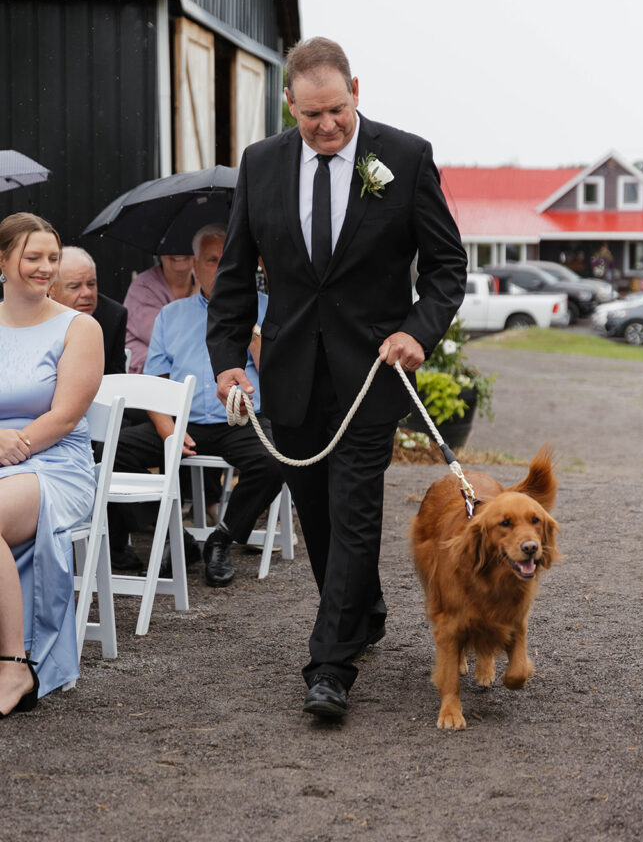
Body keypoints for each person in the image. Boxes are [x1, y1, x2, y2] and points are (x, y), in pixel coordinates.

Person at [207, 37, 467, 720]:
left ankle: (329, 665)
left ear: (355, 88)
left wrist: (418, 330)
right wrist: (228, 358)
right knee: (317, 513)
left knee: (353, 507)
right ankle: (364, 611)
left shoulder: (404, 157)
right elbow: (233, 278)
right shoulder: (261, 165)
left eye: (338, 111)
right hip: (288, 370)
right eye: (311, 115)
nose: (326, 127)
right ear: (287, 102)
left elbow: (446, 268)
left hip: (371, 370)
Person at [112, 224, 283, 586]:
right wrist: (167, 429)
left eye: (229, 261)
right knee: (107, 450)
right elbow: (155, 382)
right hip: (182, 422)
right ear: (194, 264)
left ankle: (223, 537)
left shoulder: (267, 309)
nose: (221, 269)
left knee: (273, 459)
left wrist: (253, 330)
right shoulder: (171, 316)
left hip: (241, 421)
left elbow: (281, 379)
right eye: (212, 260)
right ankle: (180, 536)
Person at [0, 213, 104, 715]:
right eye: (32, 257)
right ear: (2, 261)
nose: (45, 268)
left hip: (54, 465)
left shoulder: (79, 327)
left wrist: (12, 444)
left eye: (52, 258)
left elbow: (65, 416)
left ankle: (15, 665)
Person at [49, 246, 127, 374]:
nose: (87, 293)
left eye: (91, 284)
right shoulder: (30, 315)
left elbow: (115, 378)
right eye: (75, 286)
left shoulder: (113, 316)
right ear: (51, 289)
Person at [124, 253, 196, 374]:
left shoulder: (205, 279)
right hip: (146, 380)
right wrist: (197, 292)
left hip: (191, 371)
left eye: (186, 244)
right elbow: (174, 341)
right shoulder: (143, 287)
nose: (179, 252)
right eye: (172, 245)